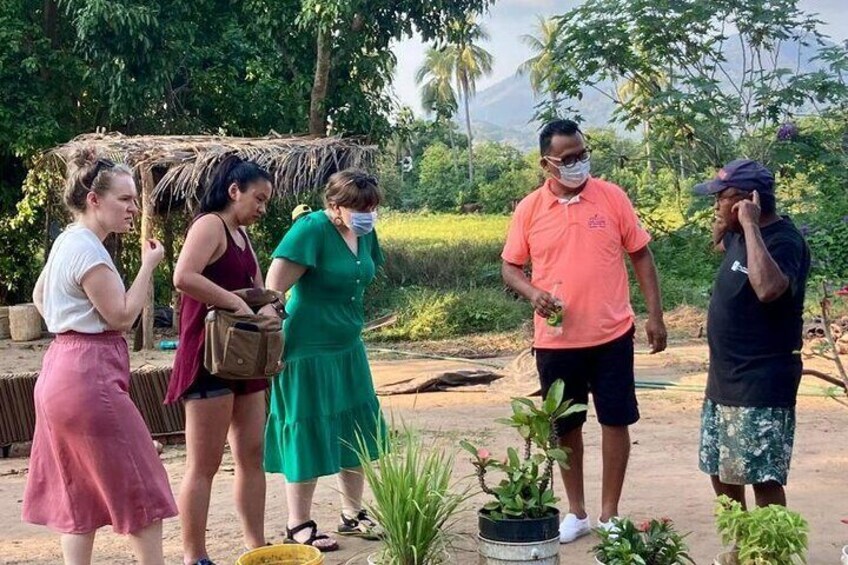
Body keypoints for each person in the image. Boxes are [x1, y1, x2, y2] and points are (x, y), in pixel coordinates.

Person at [501, 119, 667, 543]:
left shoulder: (611, 197)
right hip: (556, 341)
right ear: (546, 164)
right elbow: (510, 266)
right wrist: (532, 291)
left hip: (612, 334)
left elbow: (642, 257)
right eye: (568, 159)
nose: (578, 163)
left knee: (616, 420)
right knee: (566, 426)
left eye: (582, 154)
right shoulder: (529, 209)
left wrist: (655, 316)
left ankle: (609, 513)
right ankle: (576, 512)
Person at [22, 147, 177, 564]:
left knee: (79, 493)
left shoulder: (67, 242)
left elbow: (39, 296)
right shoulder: (89, 250)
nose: (133, 207)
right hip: (88, 377)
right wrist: (149, 265)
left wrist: (67, 321)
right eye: (125, 199)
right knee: (142, 485)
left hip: (59, 370)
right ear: (95, 200)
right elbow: (123, 316)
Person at [264, 169, 386, 552]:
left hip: (348, 346)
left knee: (356, 426)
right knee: (306, 427)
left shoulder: (364, 233)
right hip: (306, 348)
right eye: (359, 208)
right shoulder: (311, 230)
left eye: (372, 207)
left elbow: (362, 277)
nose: (368, 214)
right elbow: (272, 292)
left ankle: (353, 514)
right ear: (334, 207)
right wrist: (272, 348)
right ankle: (297, 523)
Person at [167, 156, 279, 565]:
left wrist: (269, 310)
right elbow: (183, 276)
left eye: (266, 201)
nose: (262, 208)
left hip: (244, 361)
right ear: (234, 191)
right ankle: (194, 556)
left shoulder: (243, 237)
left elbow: (259, 289)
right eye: (258, 199)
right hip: (207, 358)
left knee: (252, 454)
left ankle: (257, 545)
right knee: (204, 464)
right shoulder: (209, 226)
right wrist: (234, 303)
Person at [695, 159, 811, 508]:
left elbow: (768, 288)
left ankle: (769, 556)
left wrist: (749, 226)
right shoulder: (738, 233)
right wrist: (728, 227)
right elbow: (726, 250)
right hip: (725, 377)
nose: (715, 205)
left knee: (762, 475)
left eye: (721, 198)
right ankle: (739, 546)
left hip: (762, 380)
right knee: (720, 468)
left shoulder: (784, 241)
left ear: (750, 201)